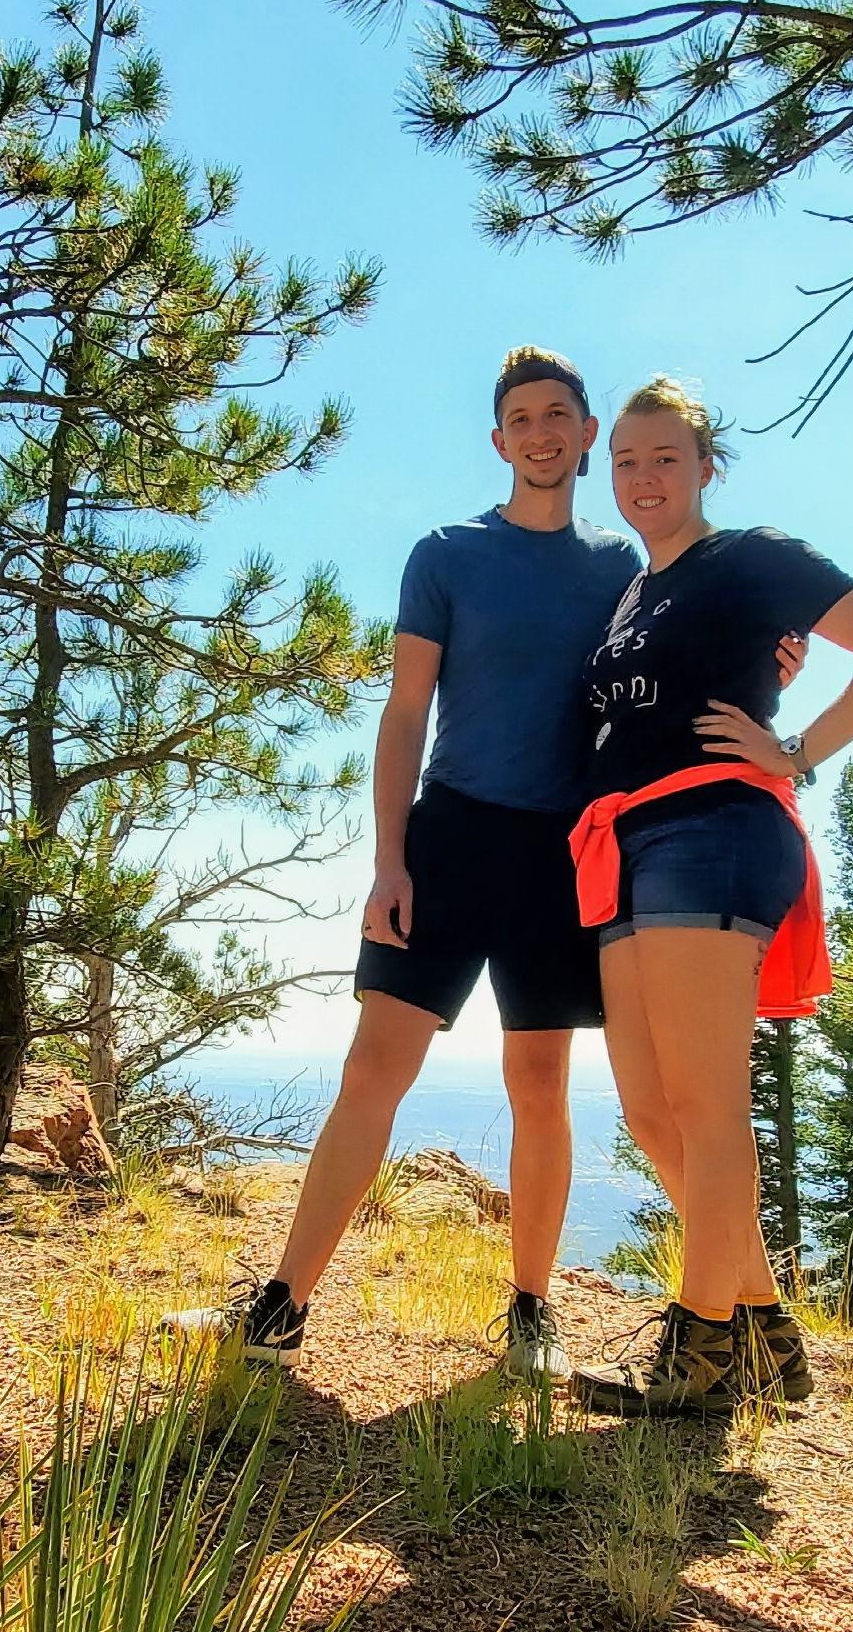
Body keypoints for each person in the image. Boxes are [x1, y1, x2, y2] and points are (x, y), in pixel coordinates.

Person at [184, 348, 645, 1381]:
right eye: (519, 417)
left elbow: (679, 651)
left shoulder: (618, 567)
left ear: (583, 433)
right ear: (499, 440)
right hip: (449, 838)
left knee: (538, 1080)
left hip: (558, 855)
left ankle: (532, 1312)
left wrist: (770, 658)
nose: (538, 432)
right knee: (374, 1070)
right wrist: (388, 860)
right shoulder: (445, 553)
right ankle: (280, 1304)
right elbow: (402, 714)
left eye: (556, 415)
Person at [565, 377, 853, 1419]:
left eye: (665, 457)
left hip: (713, 827)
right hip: (625, 842)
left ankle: (697, 1354)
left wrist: (796, 748)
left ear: (704, 467)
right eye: (627, 460)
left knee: (705, 1104)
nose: (643, 477)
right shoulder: (634, 594)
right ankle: (764, 1332)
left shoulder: (754, 555)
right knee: (650, 1109)